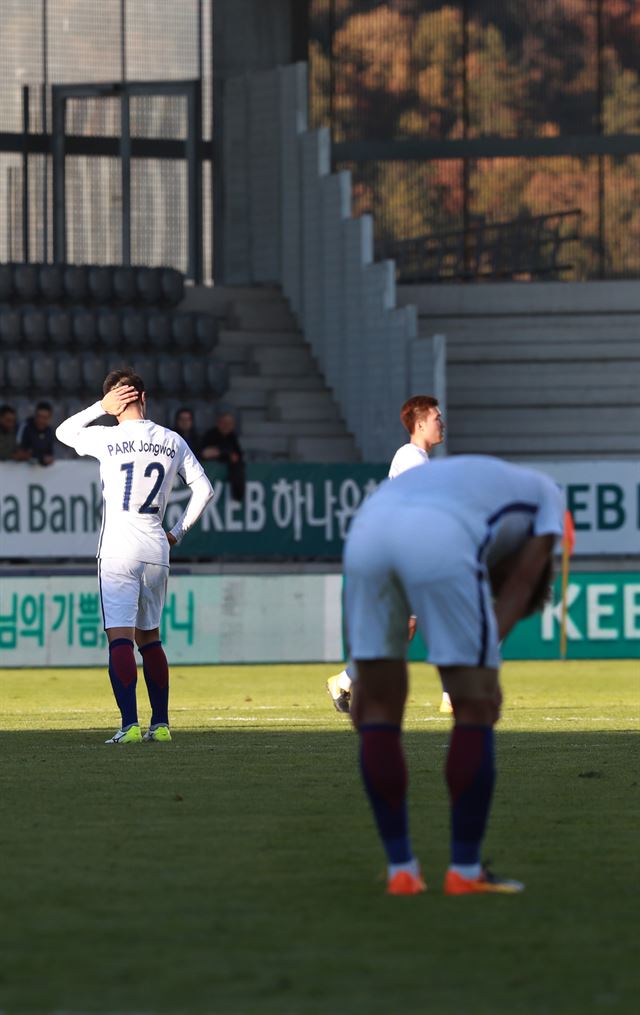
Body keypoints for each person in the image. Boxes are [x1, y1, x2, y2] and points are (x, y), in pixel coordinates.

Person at [343, 455, 563, 896]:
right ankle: (465, 870)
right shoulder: (549, 498)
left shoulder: (493, 484)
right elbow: (521, 585)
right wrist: (480, 661)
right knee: (477, 704)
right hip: (438, 536)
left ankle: (401, 871)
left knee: (377, 706)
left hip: (366, 530)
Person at [56, 368, 214, 745]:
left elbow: (63, 432)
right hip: (156, 548)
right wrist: (176, 533)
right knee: (151, 639)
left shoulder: (108, 438)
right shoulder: (171, 440)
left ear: (116, 403)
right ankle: (160, 725)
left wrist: (99, 407)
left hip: (118, 548)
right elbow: (204, 490)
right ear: (144, 398)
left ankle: (128, 726)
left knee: (120, 639)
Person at [327, 395, 452, 714]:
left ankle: (345, 679)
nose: (442, 422)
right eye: (437, 417)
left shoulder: (419, 459)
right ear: (420, 423)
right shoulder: (411, 455)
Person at [201, 410, 245, 502]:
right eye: (224, 423)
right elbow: (205, 453)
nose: (227, 426)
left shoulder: (232, 437)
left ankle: (238, 495)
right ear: (219, 423)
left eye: (229, 423)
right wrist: (222, 453)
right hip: (209, 473)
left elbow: (237, 456)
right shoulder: (211, 435)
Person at [16, 401, 55, 466]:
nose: (41, 420)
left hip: (40, 473)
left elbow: (50, 454)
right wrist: (40, 458)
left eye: (45, 418)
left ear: (49, 418)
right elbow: (18, 453)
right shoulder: (25, 427)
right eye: (39, 416)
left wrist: (48, 459)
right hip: (19, 471)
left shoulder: (49, 432)